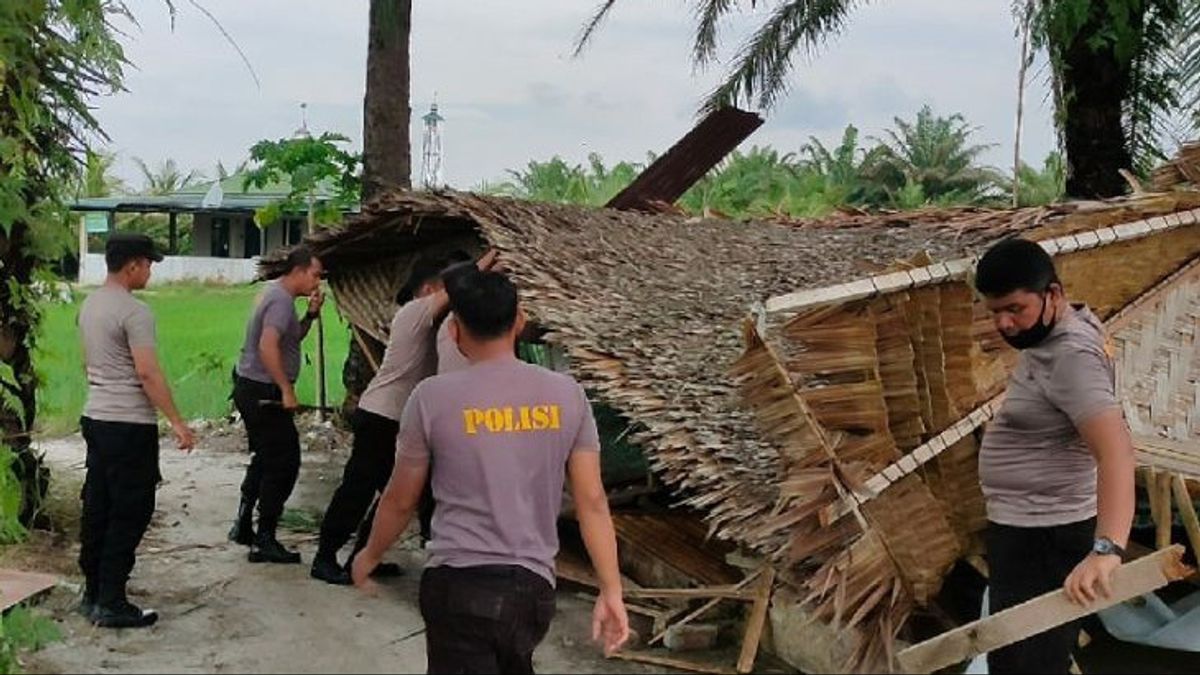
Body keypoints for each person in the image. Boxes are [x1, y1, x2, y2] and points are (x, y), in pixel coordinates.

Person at [352, 270, 629, 674]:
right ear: (519, 320)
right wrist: (612, 590)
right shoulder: (566, 394)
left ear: (455, 330)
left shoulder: (430, 399)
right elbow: (592, 502)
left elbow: (401, 499)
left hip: (457, 587)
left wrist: (369, 554)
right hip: (531, 590)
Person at [974, 238, 1136, 673]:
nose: (1004, 323)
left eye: (1014, 308)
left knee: (1028, 665)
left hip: (1047, 535)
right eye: (994, 312)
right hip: (1029, 529)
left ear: (1054, 295)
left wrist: (1107, 549)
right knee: (1018, 658)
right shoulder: (1051, 335)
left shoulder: (1070, 356)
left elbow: (1116, 451)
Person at [311, 250, 489, 585]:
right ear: (427, 290)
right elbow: (459, 288)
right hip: (381, 416)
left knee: (396, 496)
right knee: (358, 489)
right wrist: (489, 260)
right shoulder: (412, 313)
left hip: (403, 422)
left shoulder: (446, 328)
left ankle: (363, 557)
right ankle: (325, 557)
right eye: (446, 289)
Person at [77, 233, 197, 629]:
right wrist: (177, 421)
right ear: (132, 265)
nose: (150, 271)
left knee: (99, 504)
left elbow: (86, 364)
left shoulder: (90, 305)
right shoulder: (135, 312)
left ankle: (93, 590)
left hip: (96, 417)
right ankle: (112, 599)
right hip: (129, 423)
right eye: (148, 264)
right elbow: (146, 371)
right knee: (130, 509)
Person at [228, 246, 324, 564]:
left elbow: (288, 339)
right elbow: (268, 346)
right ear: (297, 271)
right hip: (263, 391)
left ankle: (244, 524)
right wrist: (286, 389)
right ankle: (264, 537)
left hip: (250, 386)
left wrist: (310, 315)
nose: (317, 280)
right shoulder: (281, 302)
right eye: (314, 274)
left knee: (266, 457)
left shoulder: (276, 296)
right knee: (284, 462)